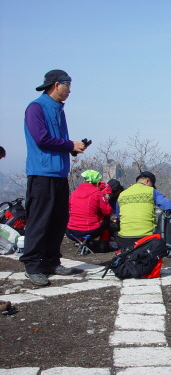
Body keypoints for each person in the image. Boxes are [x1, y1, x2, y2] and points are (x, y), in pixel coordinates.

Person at [20, 70, 87, 286]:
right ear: (57, 84)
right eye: (68, 85)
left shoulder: (59, 110)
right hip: (41, 173)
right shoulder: (36, 107)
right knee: (39, 221)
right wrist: (69, 145)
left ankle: (51, 261)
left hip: (59, 173)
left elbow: (56, 140)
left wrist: (72, 149)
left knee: (58, 221)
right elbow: (41, 138)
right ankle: (32, 265)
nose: (70, 90)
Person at [116, 171, 171, 249]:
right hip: (147, 240)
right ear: (147, 181)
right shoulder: (151, 191)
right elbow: (170, 207)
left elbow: (118, 216)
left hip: (124, 241)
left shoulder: (122, 194)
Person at [67, 170, 112, 252]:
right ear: (98, 183)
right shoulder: (97, 193)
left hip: (71, 231)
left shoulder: (74, 192)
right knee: (106, 219)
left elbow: (69, 208)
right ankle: (103, 245)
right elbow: (107, 211)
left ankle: (83, 242)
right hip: (90, 230)